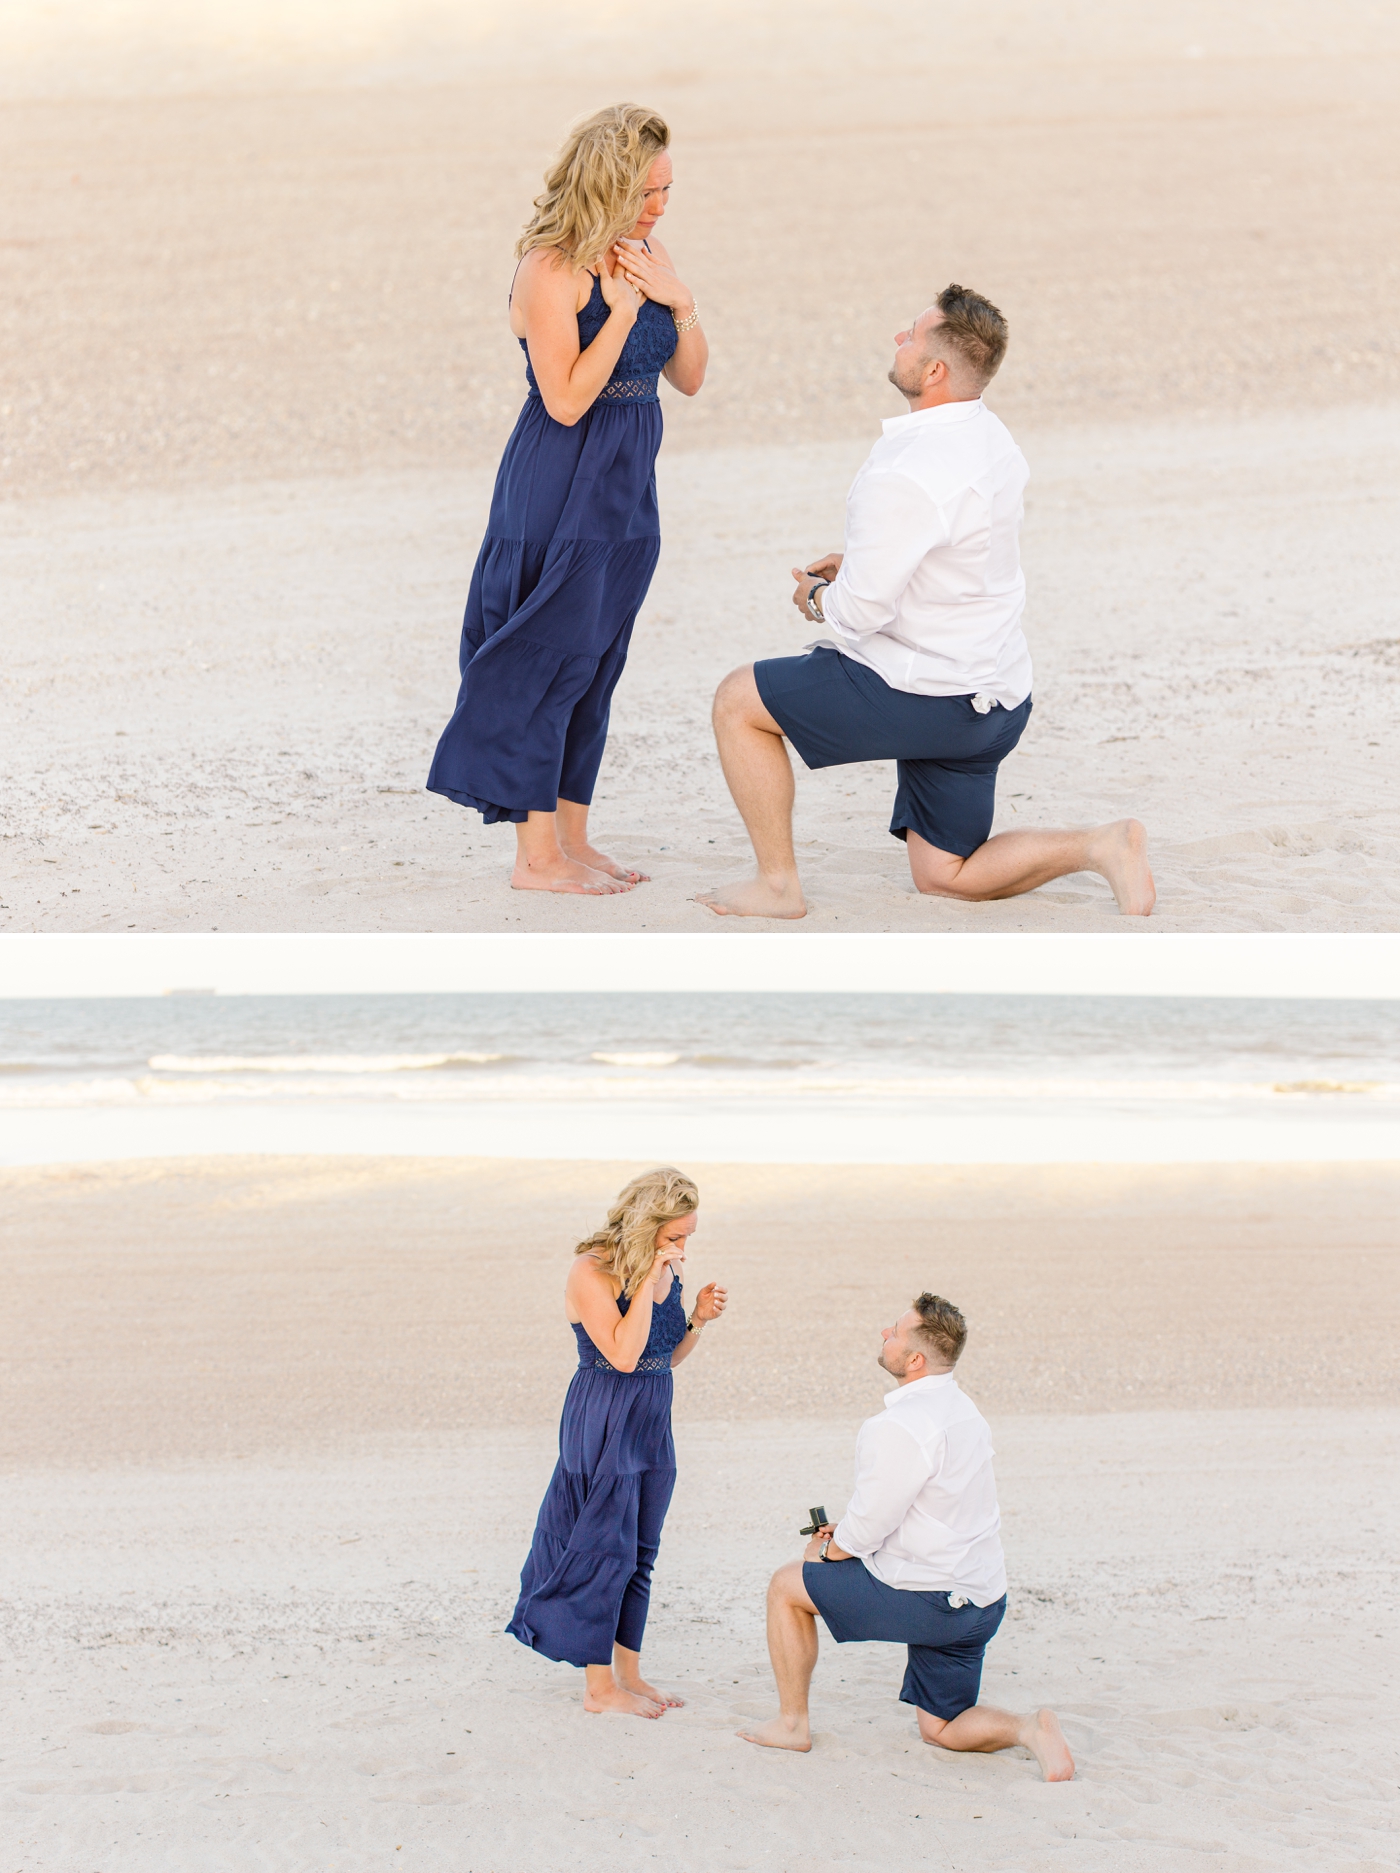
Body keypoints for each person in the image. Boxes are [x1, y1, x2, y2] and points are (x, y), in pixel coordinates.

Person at [701, 283, 1154, 920]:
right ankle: (1101, 845)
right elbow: (951, 554)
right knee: (946, 877)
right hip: (998, 698)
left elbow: (860, 615)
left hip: (929, 696)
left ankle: (776, 886)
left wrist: (819, 595)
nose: (898, 340)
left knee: (737, 703)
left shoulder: (903, 471)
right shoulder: (993, 438)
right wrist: (861, 564)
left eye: (911, 335)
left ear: (935, 370)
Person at [427, 104, 707, 895]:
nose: (659, 207)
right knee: (543, 654)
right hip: (561, 476)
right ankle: (535, 857)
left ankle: (573, 839)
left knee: (597, 659)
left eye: (667, 191)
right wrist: (620, 313)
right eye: (648, 191)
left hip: (628, 483)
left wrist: (678, 299)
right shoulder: (548, 268)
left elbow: (687, 378)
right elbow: (567, 401)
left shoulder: (648, 251)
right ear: (608, 182)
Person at [739, 1293, 1075, 1780]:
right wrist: (849, 1537)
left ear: (914, 1360)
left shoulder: (898, 1424)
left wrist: (829, 1550)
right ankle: (1030, 1729)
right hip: (983, 1599)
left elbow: (870, 1525)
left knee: (788, 1586)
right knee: (941, 1728)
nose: (884, 1335)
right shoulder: (962, 1408)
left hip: (936, 1600)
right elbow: (919, 1508)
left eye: (894, 1333)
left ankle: (792, 1724)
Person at [507, 1167, 727, 1716]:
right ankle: (598, 1688)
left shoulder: (664, 1271)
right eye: (675, 1236)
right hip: (603, 1415)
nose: (682, 1248)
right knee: (604, 1547)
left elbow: (660, 1359)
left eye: (687, 1238)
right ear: (646, 1224)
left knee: (640, 1552)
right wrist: (651, 1279)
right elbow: (622, 1357)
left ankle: (629, 1673)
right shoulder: (592, 1270)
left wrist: (696, 1320)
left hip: (652, 1417)